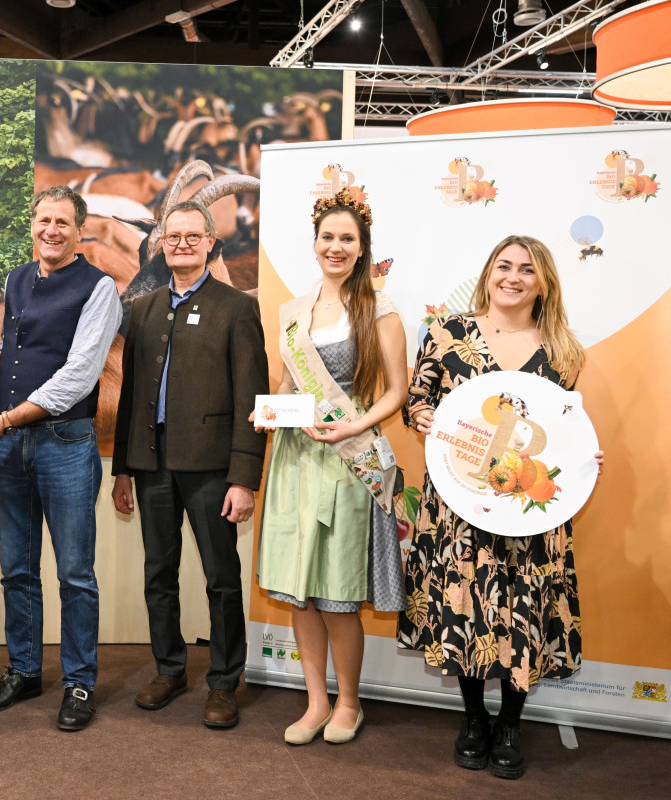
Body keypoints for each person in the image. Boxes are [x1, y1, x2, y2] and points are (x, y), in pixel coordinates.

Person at [398, 235, 604, 779]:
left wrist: (582, 455)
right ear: (489, 272)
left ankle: (511, 722)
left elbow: (560, 431)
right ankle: (473, 718)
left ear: (544, 284)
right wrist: (423, 419)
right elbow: (417, 402)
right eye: (504, 266)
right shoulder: (447, 335)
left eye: (527, 271)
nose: (512, 277)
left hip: (528, 510)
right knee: (464, 605)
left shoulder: (563, 350)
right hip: (460, 505)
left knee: (523, 609)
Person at [0, 185, 123, 732]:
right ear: (31, 225)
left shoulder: (100, 288)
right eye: (42, 220)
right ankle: (25, 669)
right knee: (17, 570)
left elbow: (78, 375)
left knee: (76, 574)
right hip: (9, 445)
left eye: (62, 221)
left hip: (64, 442)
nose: (50, 230)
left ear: (80, 230)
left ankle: (79, 680)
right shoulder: (16, 278)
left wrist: (3, 422)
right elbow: (25, 350)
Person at [254, 189, 408, 745]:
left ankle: (349, 702)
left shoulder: (379, 310)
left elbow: (397, 392)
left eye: (348, 239)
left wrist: (353, 424)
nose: (336, 247)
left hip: (348, 459)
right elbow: (289, 384)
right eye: (328, 237)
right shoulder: (293, 312)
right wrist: (270, 411)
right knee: (301, 587)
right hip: (297, 459)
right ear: (314, 243)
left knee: (337, 591)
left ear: (362, 248)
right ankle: (314, 700)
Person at [111, 200, 268, 728]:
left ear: (210, 243)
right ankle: (170, 668)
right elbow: (132, 393)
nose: (180, 244)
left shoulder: (237, 308)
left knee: (222, 579)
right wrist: (123, 471)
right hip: (151, 467)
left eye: (191, 236)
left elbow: (252, 396)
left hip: (211, 471)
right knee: (159, 573)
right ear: (160, 243)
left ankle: (224, 682)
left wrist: (244, 478)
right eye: (171, 237)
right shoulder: (144, 308)